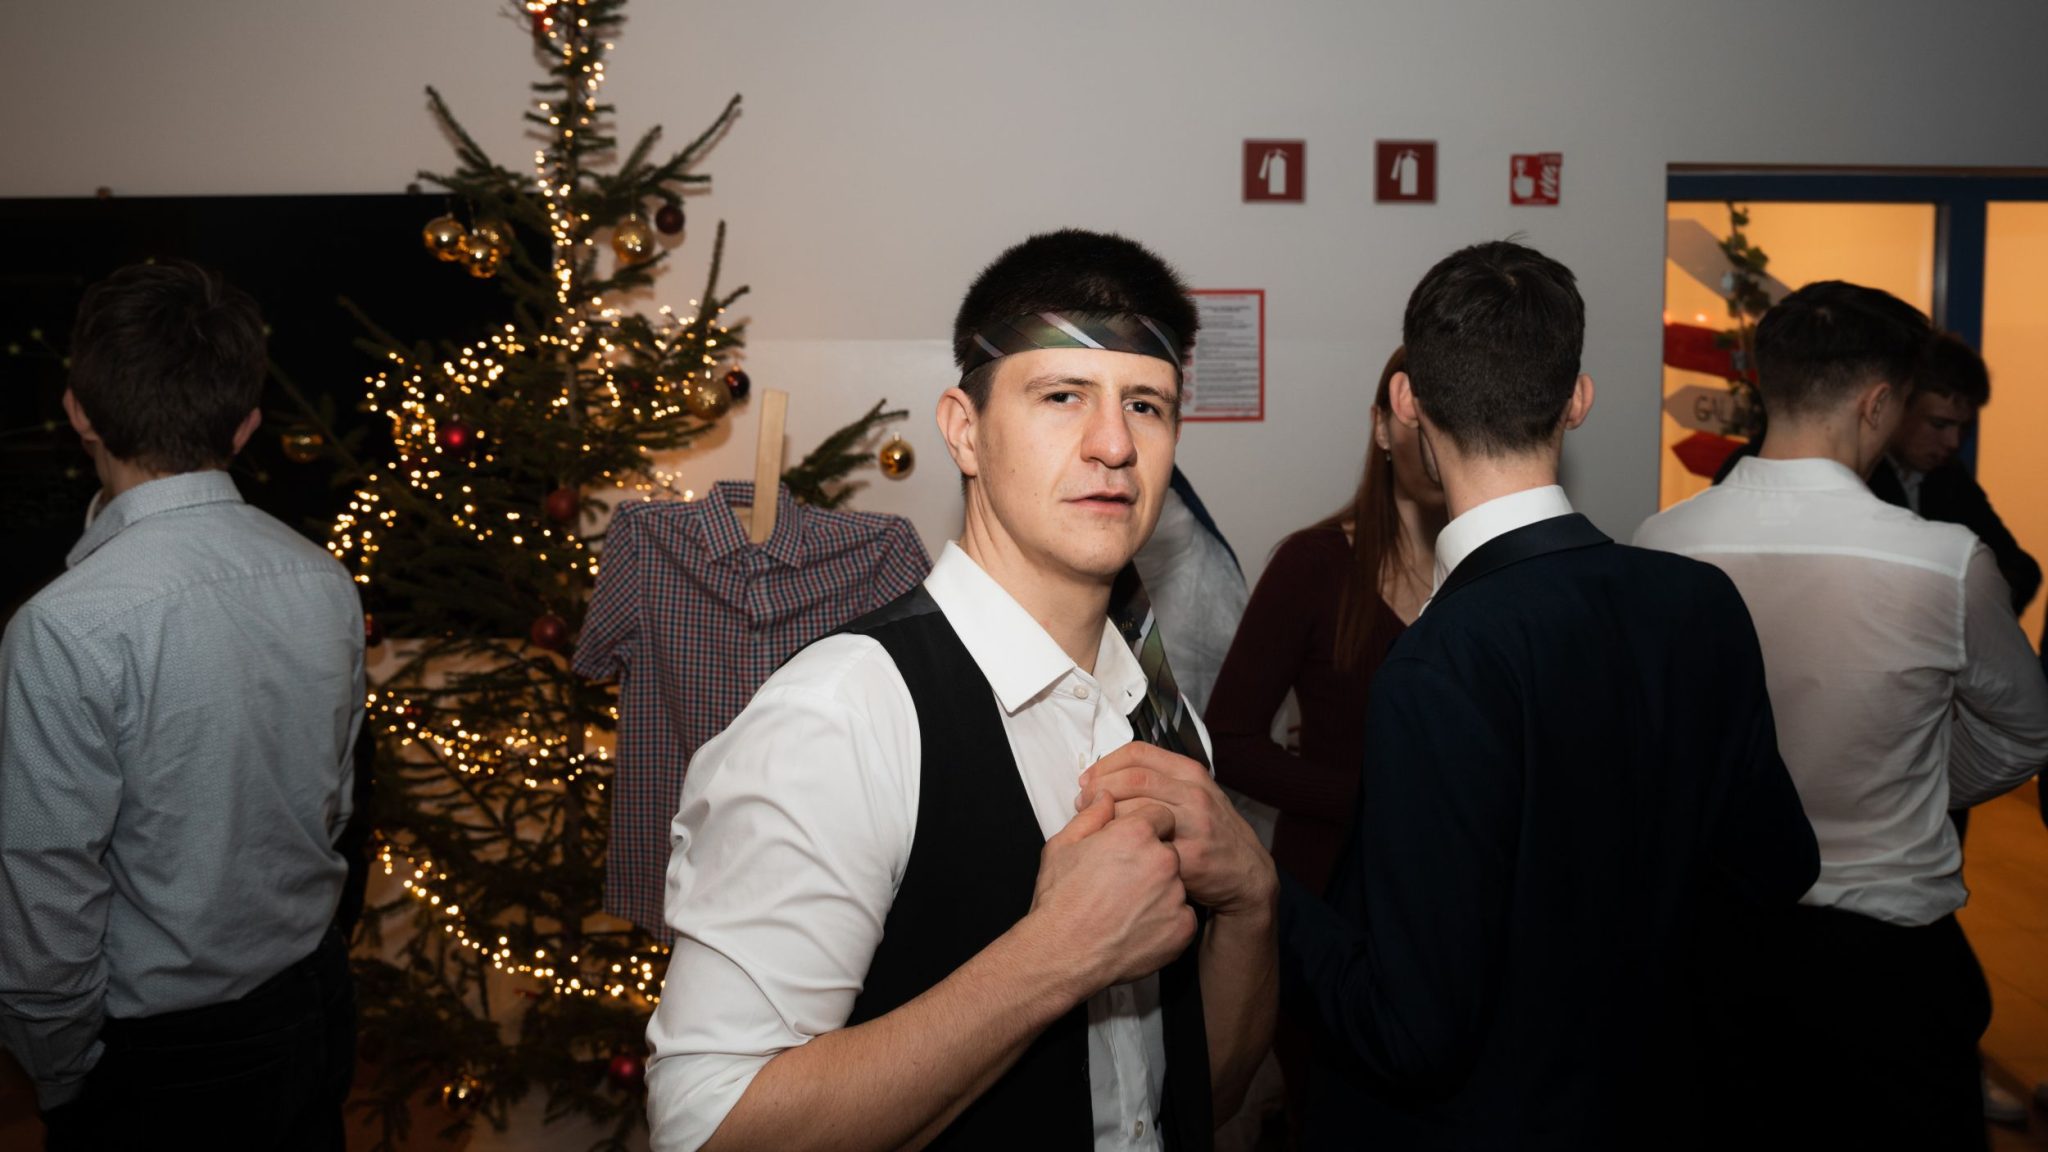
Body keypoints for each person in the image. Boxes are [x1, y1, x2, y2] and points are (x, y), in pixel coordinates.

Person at [644, 229, 1278, 1152]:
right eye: (1062, 396)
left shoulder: (1163, 718)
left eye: (1146, 405)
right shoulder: (844, 717)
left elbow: (1196, 1099)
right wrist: (1057, 955)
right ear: (965, 430)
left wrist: (1253, 902)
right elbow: (706, 1130)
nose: (1114, 445)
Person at [1185, 240, 1818, 1149]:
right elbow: (1777, 866)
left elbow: (1411, 1034)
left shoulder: (1439, 662)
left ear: (1408, 401)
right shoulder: (1699, 600)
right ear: (1579, 399)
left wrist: (1261, 886)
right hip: (1666, 1100)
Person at [1635, 280, 2048, 1148]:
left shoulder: (1661, 543)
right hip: (1884, 956)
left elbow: (1648, 742)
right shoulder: (1943, 562)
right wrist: (1912, 779)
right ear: (1878, 402)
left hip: (1715, 942)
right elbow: (2025, 730)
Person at [0, 261, 366, 1150]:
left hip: (165, 1059)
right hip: (312, 1005)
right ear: (245, 426)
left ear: (79, 411)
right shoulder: (322, 578)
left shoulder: (63, 626)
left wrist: (61, 1074)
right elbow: (335, 808)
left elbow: (44, 902)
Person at [1202, 344, 1446, 1142]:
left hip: (1451, 899)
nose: (1429, 440)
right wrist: (1368, 799)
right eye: (1413, 416)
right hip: (1330, 897)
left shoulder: (1492, 575)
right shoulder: (1313, 564)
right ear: (1382, 425)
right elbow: (1228, 739)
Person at [1869, 331, 2040, 614]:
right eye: (1939, 424)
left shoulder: (1948, 477)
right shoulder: (1862, 475)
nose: (1954, 442)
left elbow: (2018, 568)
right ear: (1895, 408)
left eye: (1964, 428)